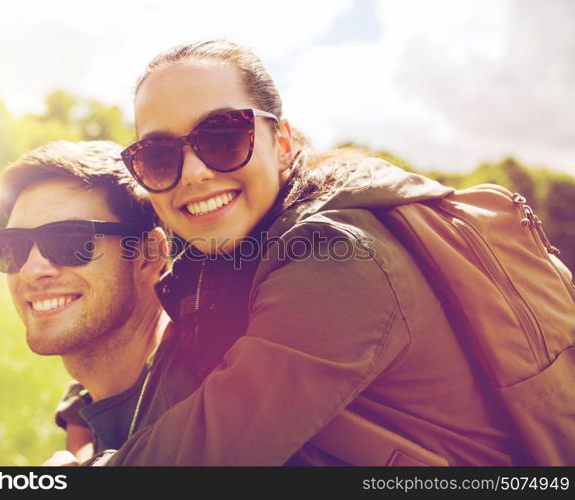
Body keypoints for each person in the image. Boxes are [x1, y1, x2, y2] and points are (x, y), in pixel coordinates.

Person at [89, 40, 523, 466]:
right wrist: (80, 411)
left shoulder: (342, 257)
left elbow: (210, 450)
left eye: (223, 137)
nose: (195, 173)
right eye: (159, 156)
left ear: (281, 145)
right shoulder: (230, 257)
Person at [0, 140, 170, 464]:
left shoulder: (208, 407)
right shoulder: (86, 402)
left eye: (70, 240)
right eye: (13, 246)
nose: (31, 270)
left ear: (149, 255)